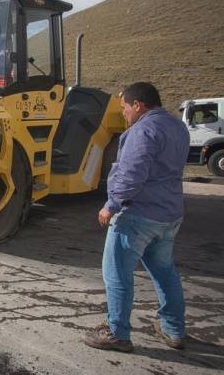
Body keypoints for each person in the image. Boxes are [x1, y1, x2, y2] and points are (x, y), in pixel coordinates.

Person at [83, 82, 190, 353]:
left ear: (138, 105)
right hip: (169, 215)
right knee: (165, 272)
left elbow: (132, 174)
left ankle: (118, 333)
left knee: (117, 273)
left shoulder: (143, 130)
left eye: (124, 108)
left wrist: (111, 205)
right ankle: (174, 330)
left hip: (138, 215)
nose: (124, 114)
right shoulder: (177, 127)